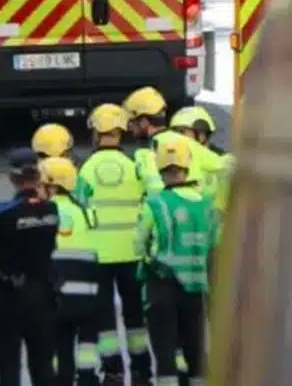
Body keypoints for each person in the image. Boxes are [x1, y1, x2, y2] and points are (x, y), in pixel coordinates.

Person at [74, 103, 151, 384]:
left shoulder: (86, 171)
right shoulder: (133, 168)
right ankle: (141, 368)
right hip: (132, 253)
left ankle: (113, 369)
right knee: (135, 317)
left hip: (99, 256)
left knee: (104, 318)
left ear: (96, 133)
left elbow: (78, 208)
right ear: (120, 132)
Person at [134, 137, 219, 386]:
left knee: (165, 353)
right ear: (187, 166)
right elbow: (213, 244)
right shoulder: (207, 206)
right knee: (195, 352)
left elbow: (138, 244)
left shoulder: (155, 203)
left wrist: (149, 259)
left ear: (160, 167)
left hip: (161, 284)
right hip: (196, 288)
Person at [0, 147, 59, 385]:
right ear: (37, 177)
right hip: (43, 293)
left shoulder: (2, 212)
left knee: (9, 367)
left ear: (12, 177)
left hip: (11, 295)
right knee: (43, 366)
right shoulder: (51, 209)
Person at [40, 156, 102, 386]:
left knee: (60, 345)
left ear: (52, 186)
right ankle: (87, 379)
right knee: (87, 345)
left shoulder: (45, 213)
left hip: (58, 293)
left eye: (42, 184)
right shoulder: (86, 212)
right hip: (88, 293)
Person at [124, 87, 224, 198]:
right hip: (195, 205)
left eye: (132, 122)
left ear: (143, 122)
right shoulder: (189, 143)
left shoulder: (146, 151)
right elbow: (223, 166)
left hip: (164, 207)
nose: (129, 127)